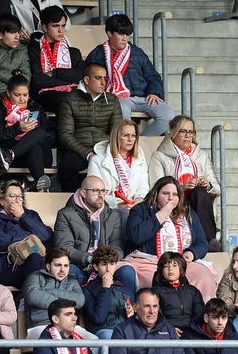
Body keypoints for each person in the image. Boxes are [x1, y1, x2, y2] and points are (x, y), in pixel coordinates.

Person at [122, 176, 217, 300]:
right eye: (165, 193)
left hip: (180, 263)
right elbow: (136, 236)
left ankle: (202, 316)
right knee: (153, 279)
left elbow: (201, 242)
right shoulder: (140, 210)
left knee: (203, 275)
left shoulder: (188, 212)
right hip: (149, 262)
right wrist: (162, 214)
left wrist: (191, 253)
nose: (170, 198)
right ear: (156, 194)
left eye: (175, 194)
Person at [86, 12, 171, 135]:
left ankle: (137, 142)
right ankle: (127, 142)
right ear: (109, 33)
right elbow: (88, 78)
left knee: (168, 115)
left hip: (144, 97)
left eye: (128, 35)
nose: (125, 38)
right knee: (121, 110)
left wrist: (154, 92)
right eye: (120, 34)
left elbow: (152, 75)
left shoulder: (137, 52)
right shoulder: (98, 53)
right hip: (117, 99)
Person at [148, 115, 220, 250]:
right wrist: (181, 187)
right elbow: (156, 189)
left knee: (199, 191)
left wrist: (207, 184)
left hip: (198, 200)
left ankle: (209, 241)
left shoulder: (201, 156)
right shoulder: (159, 156)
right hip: (173, 202)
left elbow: (217, 188)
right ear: (173, 132)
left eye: (191, 132)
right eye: (183, 131)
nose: (188, 136)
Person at [59, 62, 121, 190]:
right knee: (67, 166)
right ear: (87, 80)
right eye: (99, 78)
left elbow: (117, 132)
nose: (103, 82)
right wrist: (87, 153)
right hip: (79, 149)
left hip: (104, 148)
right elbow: (65, 135)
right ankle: (74, 203)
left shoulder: (112, 100)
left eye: (105, 78)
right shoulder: (70, 99)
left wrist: (107, 150)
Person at [0, 76, 55, 191]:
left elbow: (52, 136)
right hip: (18, 160)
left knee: (39, 134)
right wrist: (17, 129)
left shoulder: (35, 108)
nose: (22, 99)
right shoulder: (1, 111)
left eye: (25, 95)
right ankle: (41, 185)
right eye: (17, 95)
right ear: (8, 93)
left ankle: (9, 155)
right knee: (34, 147)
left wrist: (35, 136)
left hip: (42, 157)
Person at [0, 179, 51, 287]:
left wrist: (22, 217)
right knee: (36, 263)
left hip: (35, 263)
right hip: (9, 267)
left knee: (38, 260)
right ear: (2, 200)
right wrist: (29, 237)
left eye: (20, 197)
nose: (17, 200)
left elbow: (46, 235)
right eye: (12, 196)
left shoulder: (31, 215)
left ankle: (30, 298)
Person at [54, 175, 125, 272]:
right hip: (79, 264)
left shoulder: (113, 215)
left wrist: (106, 262)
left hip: (106, 265)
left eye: (103, 191)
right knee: (71, 271)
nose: (101, 195)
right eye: (96, 191)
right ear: (83, 193)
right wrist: (89, 259)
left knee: (127, 272)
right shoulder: (65, 214)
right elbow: (65, 248)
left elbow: (117, 246)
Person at [87, 116, 149, 211]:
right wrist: (117, 204)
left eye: (133, 135)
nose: (130, 139)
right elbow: (94, 192)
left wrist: (138, 200)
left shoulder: (140, 158)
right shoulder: (97, 160)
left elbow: (144, 187)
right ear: (116, 137)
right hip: (107, 209)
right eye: (126, 135)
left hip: (135, 207)